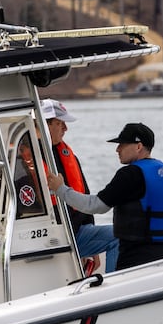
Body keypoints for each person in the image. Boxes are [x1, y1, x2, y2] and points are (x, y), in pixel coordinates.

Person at [46, 122, 163, 271]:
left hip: (135, 259)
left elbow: (95, 205)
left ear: (138, 146)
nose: (117, 149)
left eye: (122, 144)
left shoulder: (129, 174)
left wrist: (60, 189)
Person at [39, 99, 119, 271]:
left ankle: (112, 288)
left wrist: (93, 249)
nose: (65, 129)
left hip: (74, 233)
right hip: (48, 239)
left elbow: (84, 196)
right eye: (60, 124)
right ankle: (114, 291)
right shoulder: (23, 160)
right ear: (44, 125)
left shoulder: (67, 155)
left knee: (120, 234)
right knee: (119, 236)